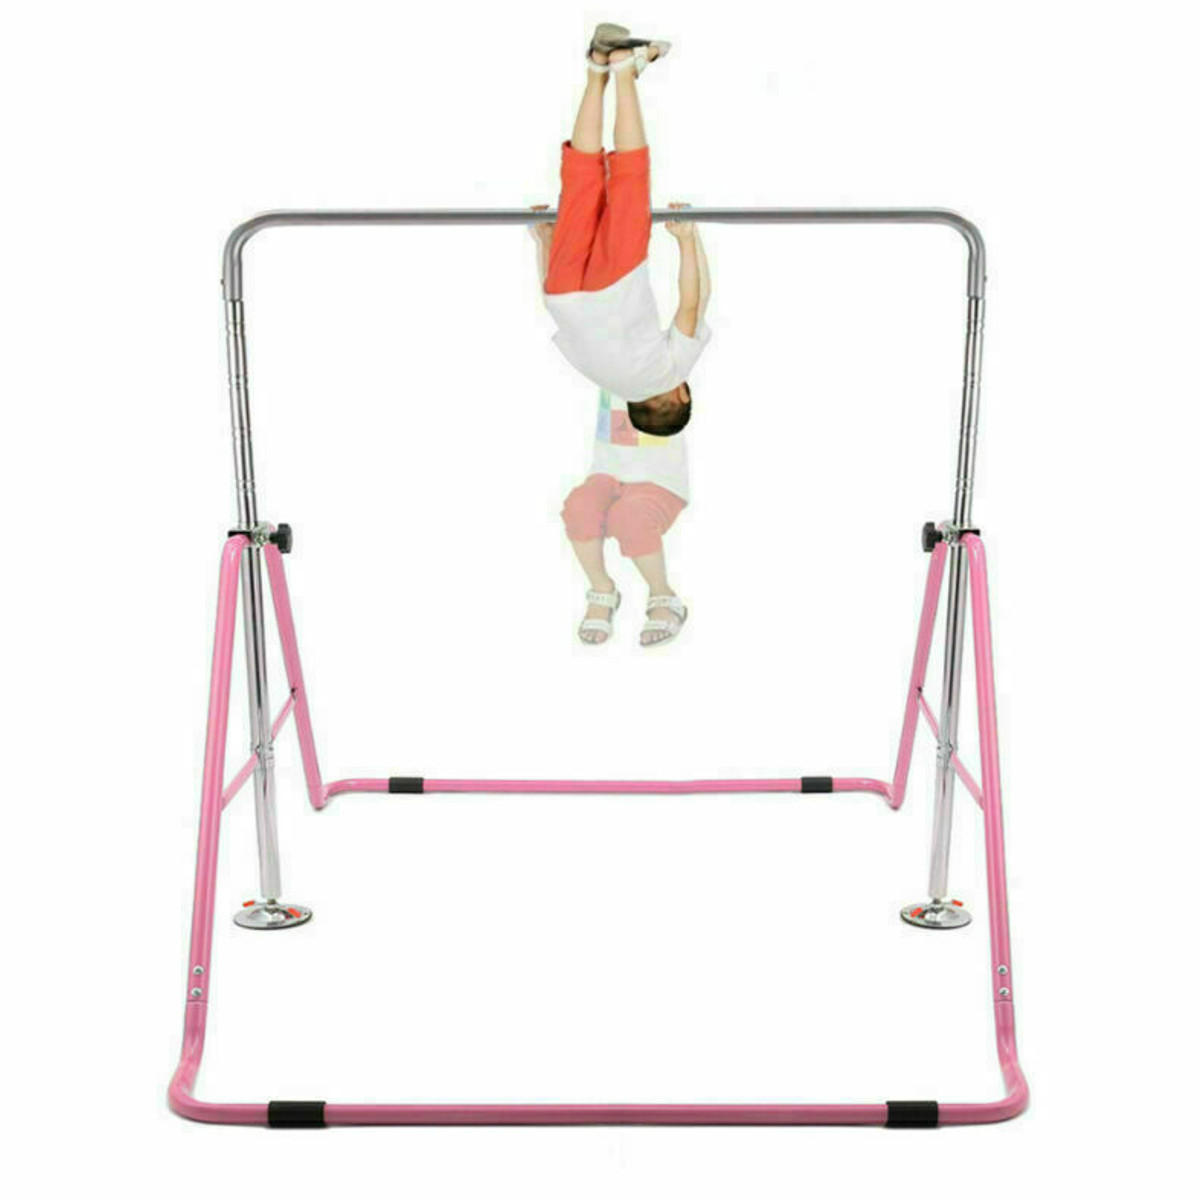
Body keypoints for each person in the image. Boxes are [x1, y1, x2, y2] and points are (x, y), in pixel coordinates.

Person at [529, 23, 712, 646]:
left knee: (626, 174)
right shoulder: (601, 375)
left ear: (679, 394)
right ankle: (595, 71)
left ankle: (624, 70)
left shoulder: (668, 371)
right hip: (563, 287)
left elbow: (692, 302)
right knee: (580, 177)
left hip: (611, 278)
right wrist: (543, 244)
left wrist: (687, 240)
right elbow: (556, 313)